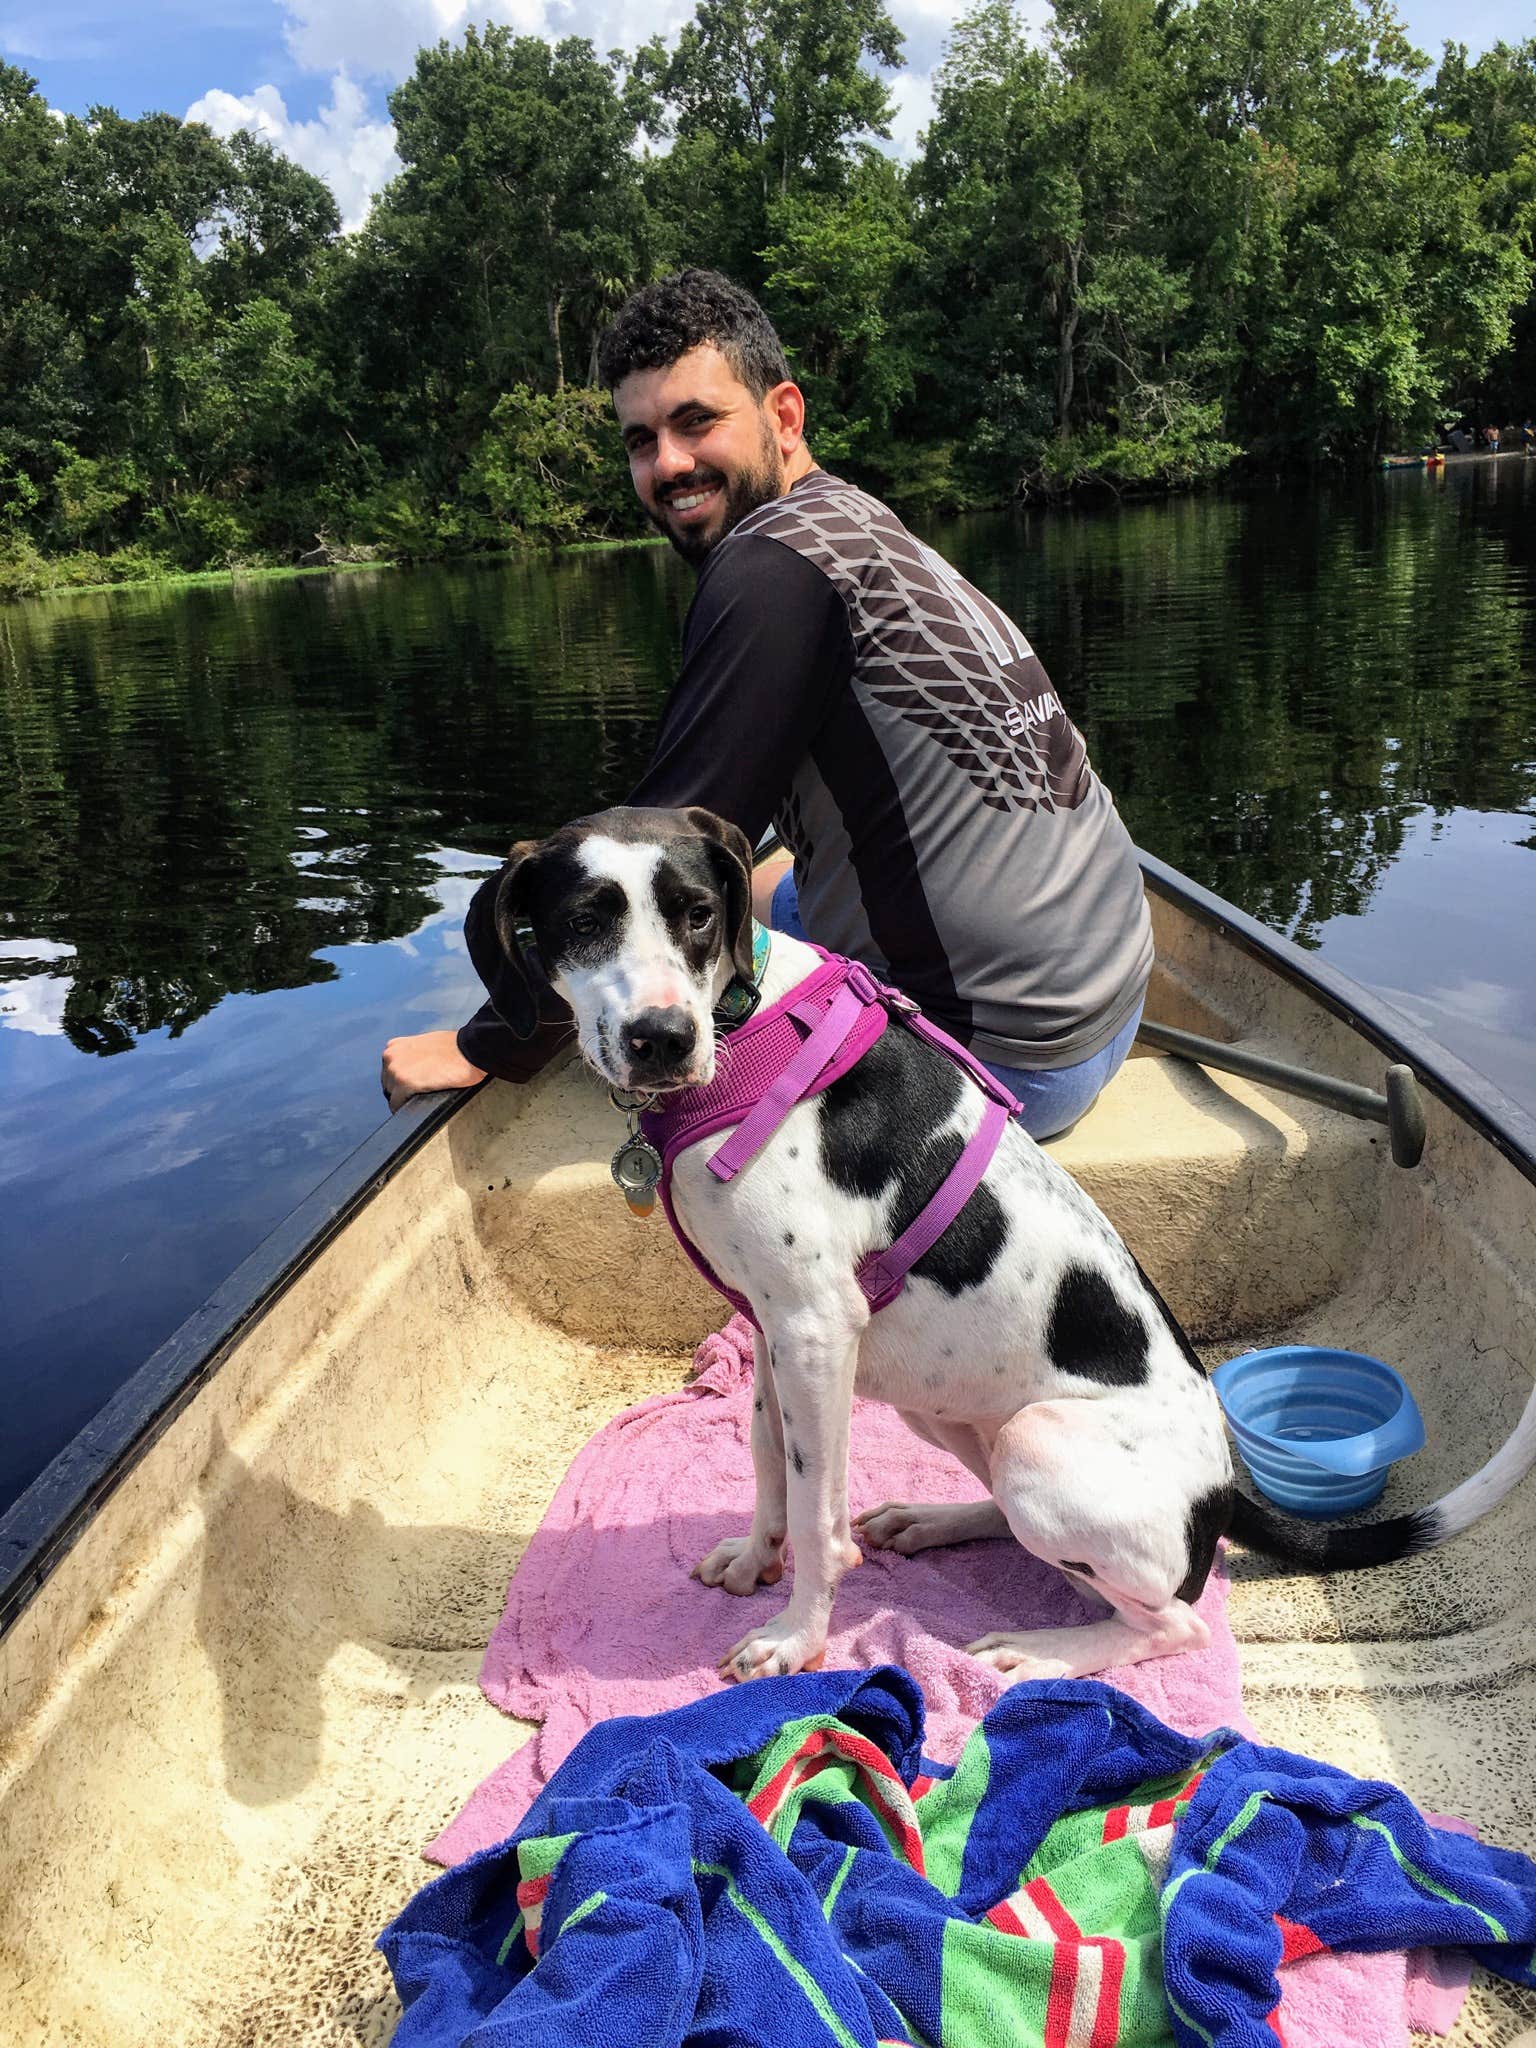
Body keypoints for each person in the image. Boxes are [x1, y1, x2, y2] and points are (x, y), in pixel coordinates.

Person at [381, 270, 1152, 1141]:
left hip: (994, 1060)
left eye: (696, 422)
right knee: (742, 883)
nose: (669, 464)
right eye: (641, 440)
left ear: (784, 416)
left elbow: (654, 841)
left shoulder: (767, 573)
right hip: (1108, 997)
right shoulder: (849, 521)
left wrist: (489, 1044)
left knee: (659, 994)